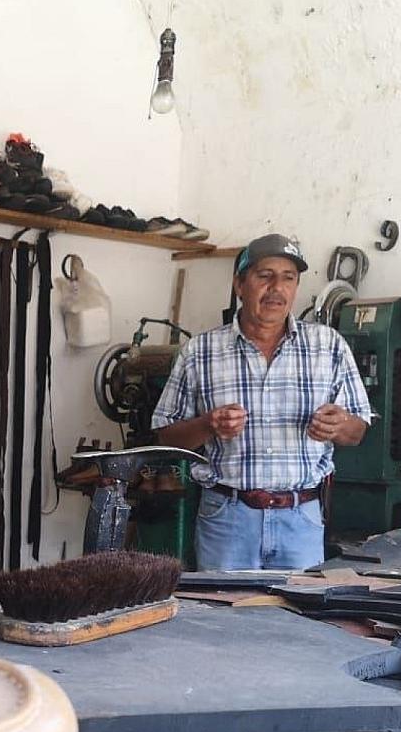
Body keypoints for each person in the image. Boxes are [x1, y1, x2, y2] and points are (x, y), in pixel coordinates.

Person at [152, 234, 372, 570]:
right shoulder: (200, 352)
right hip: (227, 519)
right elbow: (165, 437)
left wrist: (339, 425)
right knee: (223, 605)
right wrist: (208, 424)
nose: (276, 289)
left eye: (288, 278)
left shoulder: (328, 346)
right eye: (265, 276)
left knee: (298, 606)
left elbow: (357, 432)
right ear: (240, 285)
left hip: (301, 519)